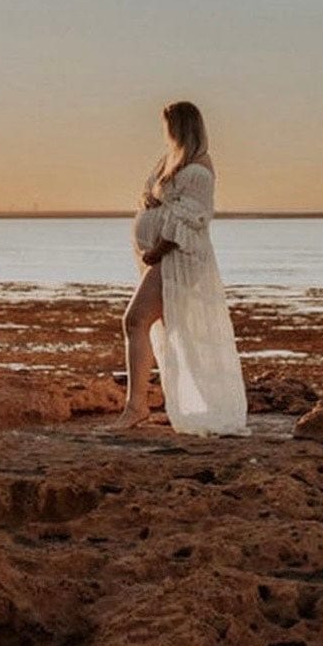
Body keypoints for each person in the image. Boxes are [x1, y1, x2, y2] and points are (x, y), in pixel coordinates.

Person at [108, 101, 249, 435]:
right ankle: (170, 403)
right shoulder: (172, 161)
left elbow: (192, 219)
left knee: (135, 320)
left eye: (169, 125)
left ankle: (136, 406)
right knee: (168, 329)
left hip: (178, 257)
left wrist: (158, 249)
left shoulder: (199, 169)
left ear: (182, 126)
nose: (165, 132)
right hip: (162, 257)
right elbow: (152, 196)